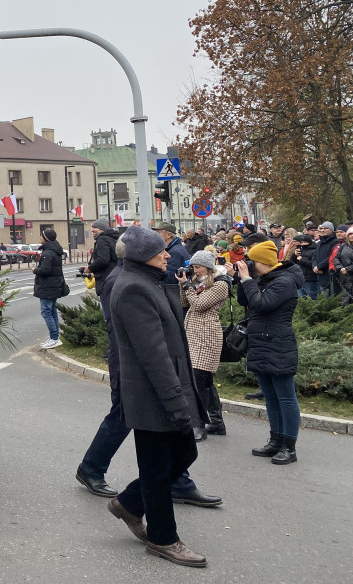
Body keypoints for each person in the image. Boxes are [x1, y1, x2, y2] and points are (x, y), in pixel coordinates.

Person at [107, 226, 207, 568]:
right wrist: (176, 401)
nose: (168, 254)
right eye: (161, 251)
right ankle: (164, 539)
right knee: (157, 464)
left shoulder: (146, 281)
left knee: (182, 453)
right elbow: (153, 355)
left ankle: (131, 502)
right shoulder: (134, 287)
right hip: (152, 395)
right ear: (142, 256)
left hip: (161, 391)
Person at [229, 241, 303, 465]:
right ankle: (275, 440)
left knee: (286, 397)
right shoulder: (265, 279)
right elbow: (245, 300)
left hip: (278, 344)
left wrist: (248, 279)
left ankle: (289, 448)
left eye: (253, 260)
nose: (250, 263)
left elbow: (262, 304)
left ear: (263, 262)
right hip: (260, 343)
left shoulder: (284, 282)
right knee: (270, 397)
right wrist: (242, 279)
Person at [176, 250, 230, 439]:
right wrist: (184, 283)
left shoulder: (220, 283)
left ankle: (198, 425)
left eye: (197, 267)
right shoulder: (197, 283)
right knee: (205, 382)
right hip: (193, 333)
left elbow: (199, 304)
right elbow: (185, 303)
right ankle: (216, 422)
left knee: (198, 381)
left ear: (207, 267)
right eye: (193, 267)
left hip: (207, 335)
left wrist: (187, 287)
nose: (195, 270)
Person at [33, 228, 68, 349]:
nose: (40, 238)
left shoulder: (48, 253)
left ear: (46, 238)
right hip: (54, 285)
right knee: (52, 310)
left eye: (41, 236)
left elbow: (45, 270)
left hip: (48, 286)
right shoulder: (55, 250)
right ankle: (55, 337)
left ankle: (54, 338)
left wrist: (35, 270)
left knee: (46, 311)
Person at [84, 219, 120, 317]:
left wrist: (89, 268)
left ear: (102, 229)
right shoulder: (114, 239)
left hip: (105, 280)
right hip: (116, 278)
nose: (92, 230)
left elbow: (103, 260)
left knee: (108, 315)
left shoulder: (102, 239)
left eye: (95, 227)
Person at [312, 221, 340, 297]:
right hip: (320, 275)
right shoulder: (320, 243)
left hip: (330, 275)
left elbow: (332, 257)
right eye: (321, 228)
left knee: (331, 298)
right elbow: (315, 256)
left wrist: (319, 267)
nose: (323, 230)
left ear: (331, 230)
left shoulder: (335, 242)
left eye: (325, 228)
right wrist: (314, 266)